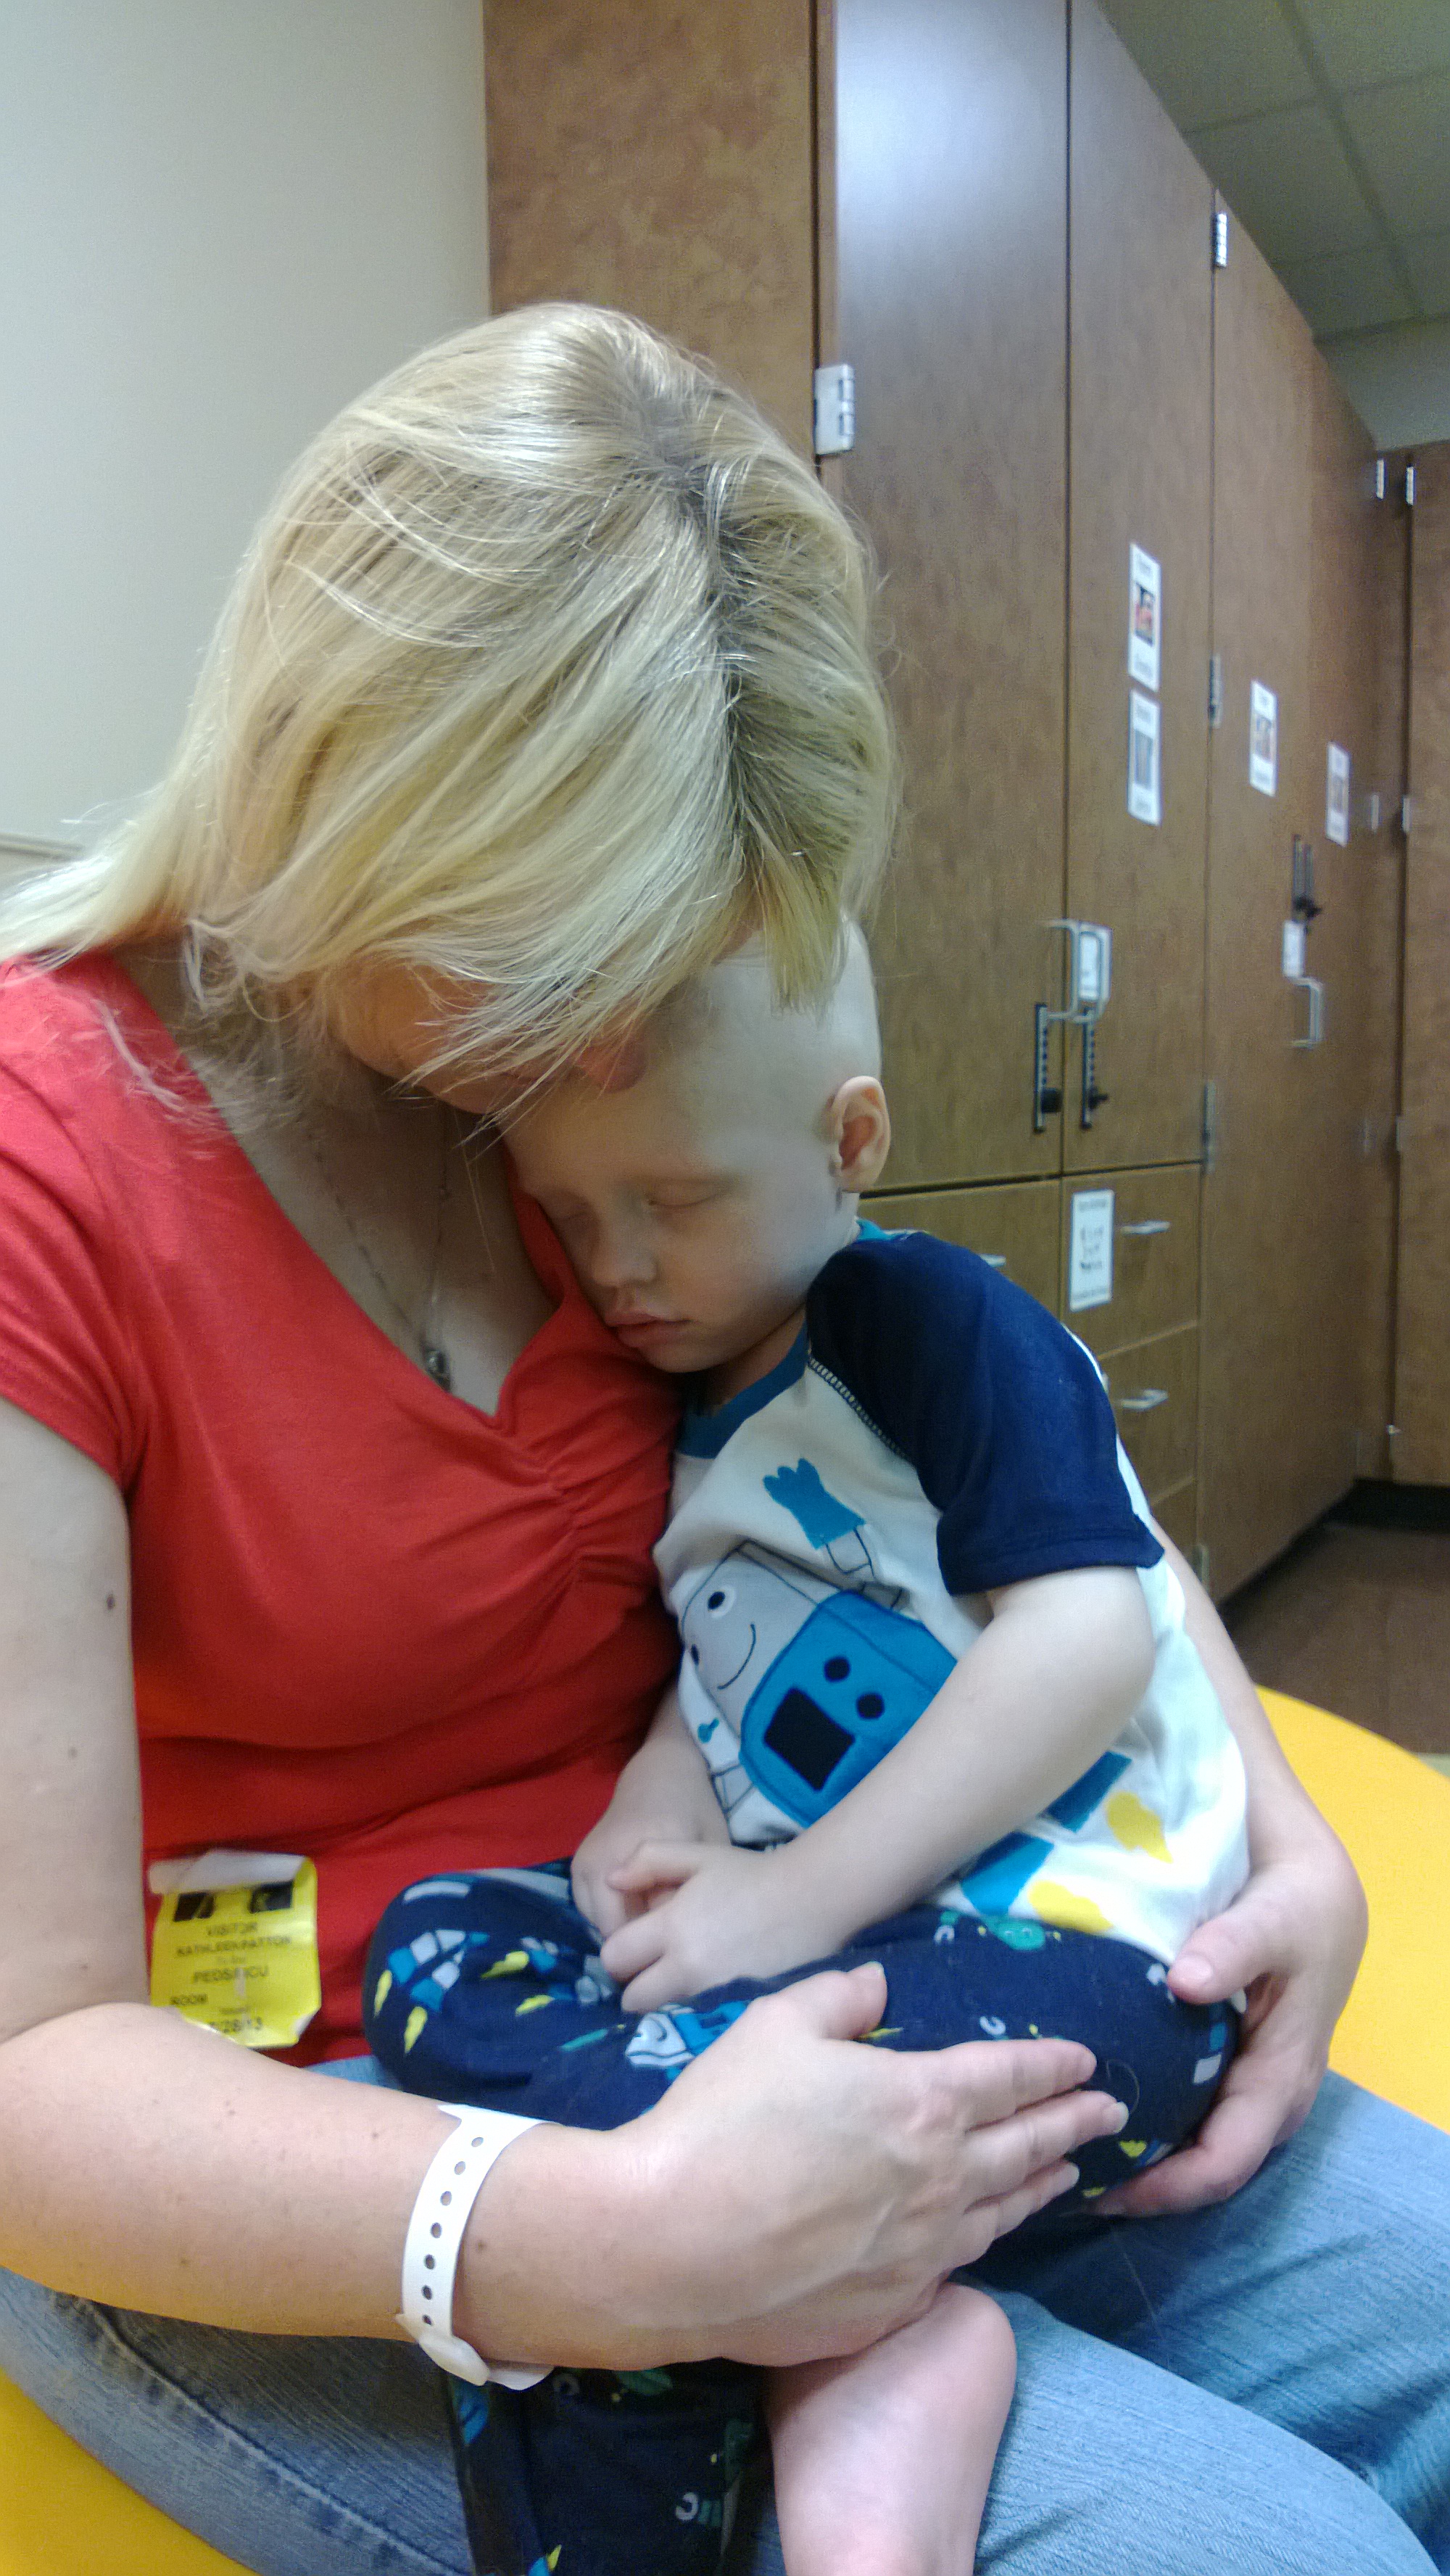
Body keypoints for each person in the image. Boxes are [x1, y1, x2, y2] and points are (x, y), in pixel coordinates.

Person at [0, 305, 1442, 2576]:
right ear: (345, 796)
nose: (603, 1044)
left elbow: (999, 1479)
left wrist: (1281, 1834)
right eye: (557, 955)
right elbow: (30, 2065)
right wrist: (619, 2240)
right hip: (340, 2114)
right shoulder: (54, 1169)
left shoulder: (601, 1136)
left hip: (789, 1971)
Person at [365, 926, 1248, 2576]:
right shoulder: (699, 1386)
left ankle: (779, 2323)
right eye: (573, 1216)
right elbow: (726, 1659)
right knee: (430, 1948)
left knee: (673, 2169)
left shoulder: (930, 1322)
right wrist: (657, 1812)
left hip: (1085, 1951)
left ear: (850, 1141)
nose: (619, 1266)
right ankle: (781, 2301)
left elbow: (1089, 1634)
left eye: (674, 1201)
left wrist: (793, 1902)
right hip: (846, 1954)